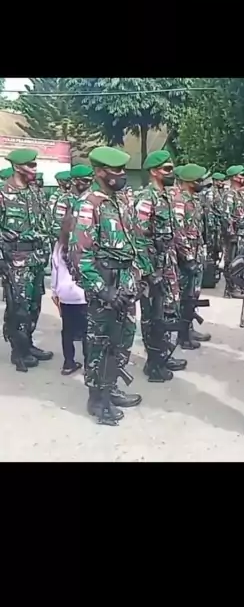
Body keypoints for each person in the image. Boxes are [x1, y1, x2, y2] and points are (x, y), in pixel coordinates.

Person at [67, 146, 143, 425]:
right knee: (100, 342)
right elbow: (79, 255)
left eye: (123, 169)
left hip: (124, 284)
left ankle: (110, 387)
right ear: (99, 172)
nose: (122, 174)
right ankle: (97, 399)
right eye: (116, 170)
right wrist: (102, 289)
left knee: (122, 339)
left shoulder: (118, 201)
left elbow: (132, 244)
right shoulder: (88, 204)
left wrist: (137, 276)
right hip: (105, 285)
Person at [134, 149, 187, 381]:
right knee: (153, 314)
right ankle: (153, 363)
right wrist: (148, 271)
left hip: (167, 262)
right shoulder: (147, 198)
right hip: (153, 266)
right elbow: (138, 236)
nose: (171, 173)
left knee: (167, 311)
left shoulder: (165, 196)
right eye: (166, 169)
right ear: (154, 172)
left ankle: (163, 354)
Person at [0, 149, 53, 371]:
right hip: (16, 260)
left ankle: (28, 344)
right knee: (18, 308)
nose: (34, 169)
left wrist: (47, 250)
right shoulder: (3, 193)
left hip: (37, 259)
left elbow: (46, 223)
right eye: (30, 165)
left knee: (34, 306)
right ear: (17, 167)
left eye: (34, 164)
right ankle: (18, 351)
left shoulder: (35, 192)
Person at [171, 163, 210, 349]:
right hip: (185, 259)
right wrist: (188, 257)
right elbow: (178, 232)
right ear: (189, 181)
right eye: (198, 180)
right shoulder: (180, 201)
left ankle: (189, 329)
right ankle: (183, 336)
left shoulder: (193, 200)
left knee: (192, 296)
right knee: (184, 297)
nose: (201, 183)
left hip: (195, 254)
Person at [51, 230, 87, 376]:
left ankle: (68, 363)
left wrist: (54, 292)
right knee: (87, 331)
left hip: (65, 293)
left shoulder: (59, 245)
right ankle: (90, 365)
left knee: (67, 330)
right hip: (84, 292)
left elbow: (55, 269)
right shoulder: (87, 242)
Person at [223, 165, 244, 298]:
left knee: (239, 260)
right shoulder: (230, 194)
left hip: (241, 232)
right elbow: (226, 215)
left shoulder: (239, 194)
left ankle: (237, 286)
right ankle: (231, 288)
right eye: (241, 175)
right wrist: (231, 233)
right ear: (234, 177)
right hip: (234, 233)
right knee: (231, 260)